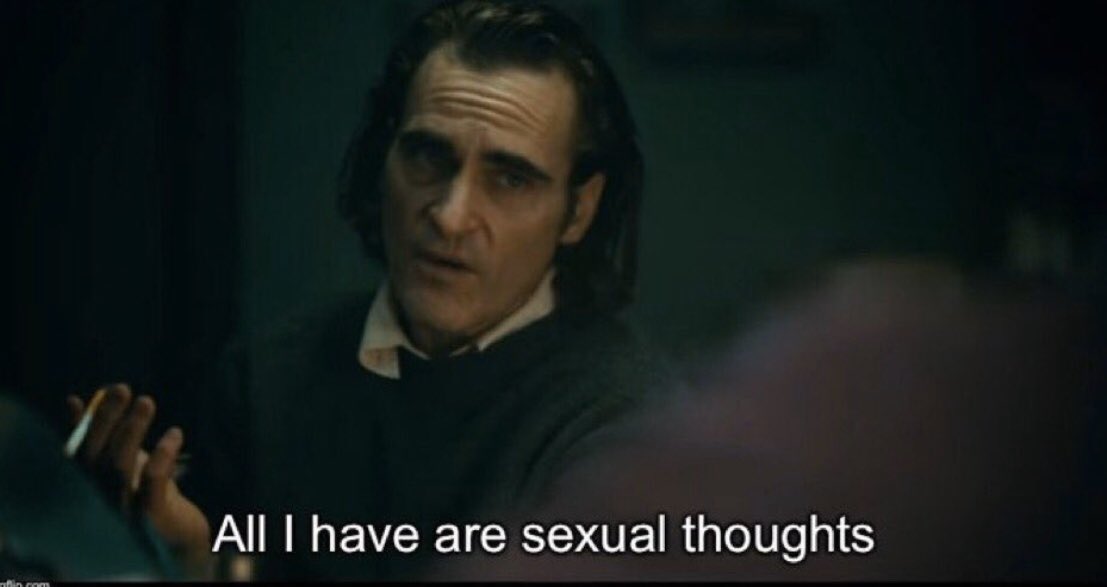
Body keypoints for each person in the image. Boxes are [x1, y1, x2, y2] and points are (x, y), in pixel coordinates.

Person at [64, 0, 677, 580]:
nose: (450, 216)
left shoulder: (630, 425)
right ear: (384, 159)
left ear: (579, 209)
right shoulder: (266, 380)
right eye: (428, 157)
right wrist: (188, 559)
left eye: (510, 179)